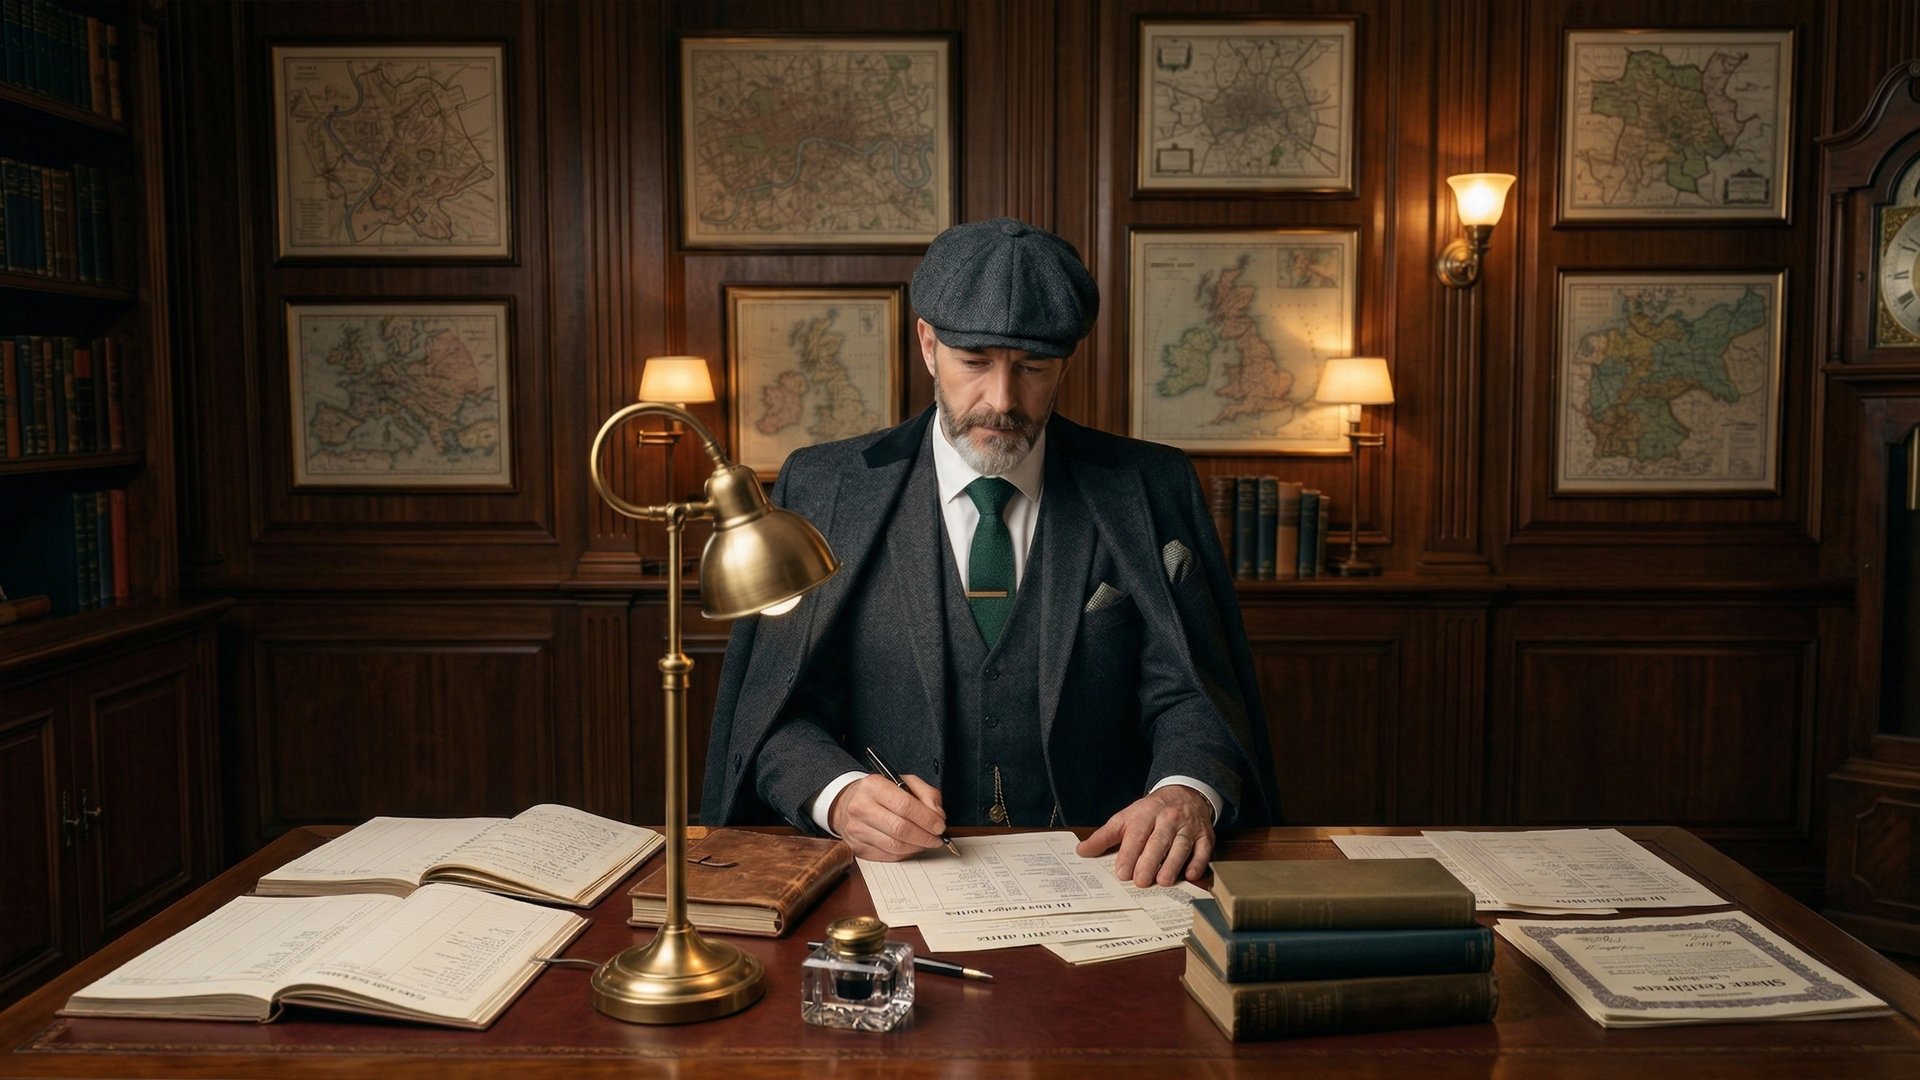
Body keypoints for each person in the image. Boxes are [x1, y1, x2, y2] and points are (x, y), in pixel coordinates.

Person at [700, 217, 1276, 886]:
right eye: (974, 363)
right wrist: (839, 794)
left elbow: (1196, 695)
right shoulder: (824, 486)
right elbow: (775, 711)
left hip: (1111, 879)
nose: (1002, 401)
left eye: (1032, 368)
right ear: (927, 344)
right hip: (887, 886)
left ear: (1064, 363)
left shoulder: (1150, 487)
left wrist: (1186, 791)